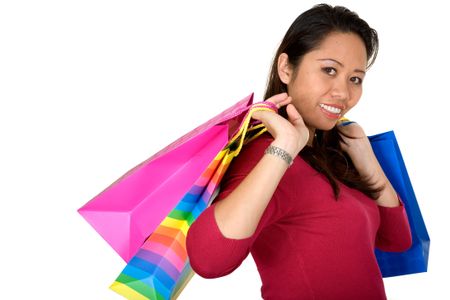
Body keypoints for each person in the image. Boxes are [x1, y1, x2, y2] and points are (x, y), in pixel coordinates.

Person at [186, 4, 412, 300]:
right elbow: (209, 261)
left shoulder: (333, 150)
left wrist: (367, 159)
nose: (343, 93)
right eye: (329, 70)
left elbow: (397, 240)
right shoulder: (266, 154)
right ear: (286, 68)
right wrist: (283, 148)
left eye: (355, 78)